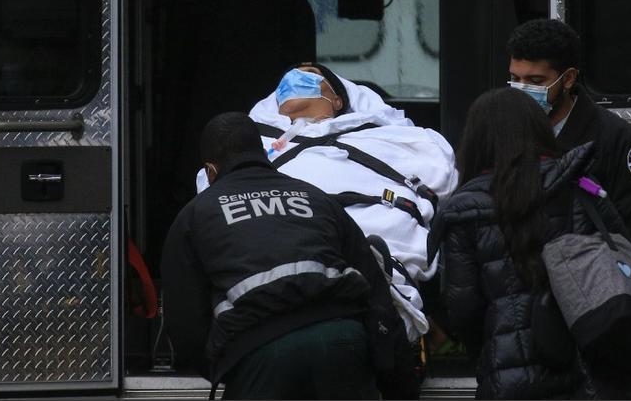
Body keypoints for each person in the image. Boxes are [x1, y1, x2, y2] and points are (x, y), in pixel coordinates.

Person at [196, 62, 458, 340]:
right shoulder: (250, 149)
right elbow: (213, 196)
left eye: (312, 75)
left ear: (337, 100)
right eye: (290, 76)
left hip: (363, 243)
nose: (297, 76)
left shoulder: (388, 139)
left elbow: (437, 174)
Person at [162, 112, 404, 399]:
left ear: (210, 171)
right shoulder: (316, 197)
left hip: (261, 353)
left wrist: (222, 365)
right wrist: (395, 376)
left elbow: (185, 322)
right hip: (342, 341)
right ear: (262, 153)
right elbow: (374, 289)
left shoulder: (195, 215)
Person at [436, 88, 631, 399]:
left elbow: (463, 310)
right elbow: (627, 266)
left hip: (510, 381)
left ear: (476, 141)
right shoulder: (581, 189)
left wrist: (492, 345)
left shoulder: (465, 211)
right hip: (593, 371)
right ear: (539, 130)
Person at [507, 19, 631, 271]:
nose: (523, 89)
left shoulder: (615, 140)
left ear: (568, 78)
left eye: (536, 81)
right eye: (515, 79)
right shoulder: (505, 135)